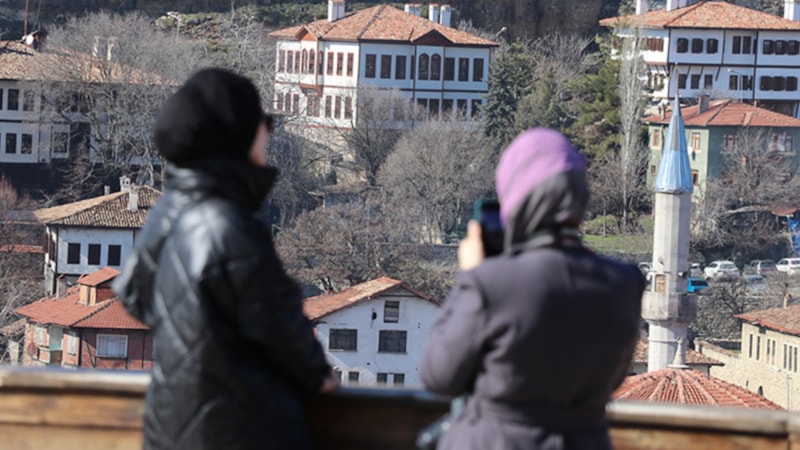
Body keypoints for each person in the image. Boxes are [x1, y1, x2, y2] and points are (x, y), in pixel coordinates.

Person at [113, 68, 338, 450]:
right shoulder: (230, 225)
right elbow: (278, 322)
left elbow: (132, 291)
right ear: (237, 136)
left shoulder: (167, 212)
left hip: (170, 424)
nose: (268, 131)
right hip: (239, 430)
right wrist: (319, 375)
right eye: (263, 121)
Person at [420, 128, 644, 450]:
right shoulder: (625, 283)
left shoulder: (492, 282)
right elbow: (613, 379)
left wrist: (470, 275)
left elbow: (439, 375)